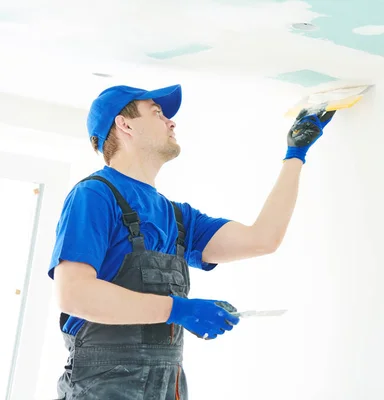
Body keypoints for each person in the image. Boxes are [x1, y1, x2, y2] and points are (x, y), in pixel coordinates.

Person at [48, 83, 335, 399]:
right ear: (124, 125)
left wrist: (296, 153)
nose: (171, 122)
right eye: (158, 114)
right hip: (101, 388)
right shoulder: (95, 195)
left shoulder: (178, 218)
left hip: (167, 387)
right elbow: (75, 294)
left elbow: (262, 239)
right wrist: (177, 309)